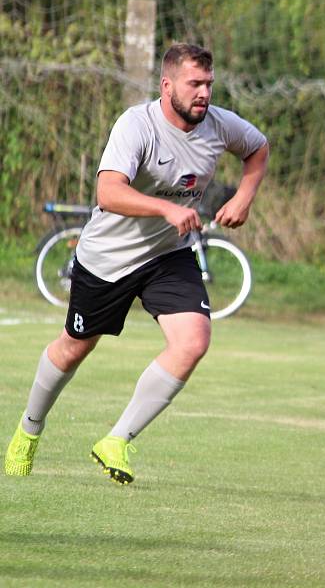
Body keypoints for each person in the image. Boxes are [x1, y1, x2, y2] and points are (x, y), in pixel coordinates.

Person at [4, 43, 269, 484]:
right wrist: (166, 209)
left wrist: (244, 196)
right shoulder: (136, 125)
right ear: (167, 86)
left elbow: (258, 149)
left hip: (168, 254)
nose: (204, 93)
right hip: (107, 258)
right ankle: (29, 428)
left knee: (193, 341)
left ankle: (117, 440)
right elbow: (108, 192)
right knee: (75, 346)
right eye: (194, 84)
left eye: (209, 84)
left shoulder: (220, 125)